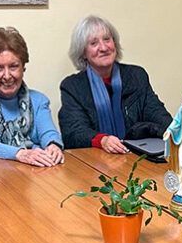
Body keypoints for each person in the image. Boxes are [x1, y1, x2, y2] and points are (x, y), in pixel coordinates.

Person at [58, 15, 172, 153]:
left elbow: (157, 113)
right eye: (94, 43)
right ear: (83, 53)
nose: (103, 47)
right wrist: (103, 140)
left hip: (137, 155)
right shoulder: (72, 87)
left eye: (107, 39)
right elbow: (73, 132)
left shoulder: (136, 76)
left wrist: (178, 133)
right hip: (94, 160)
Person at [0, 27, 64, 167]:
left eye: (14, 66)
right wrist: (21, 154)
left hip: (35, 174)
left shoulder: (39, 100)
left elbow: (48, 133)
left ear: (23, 68)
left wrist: (53, 145)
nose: (7, 76)